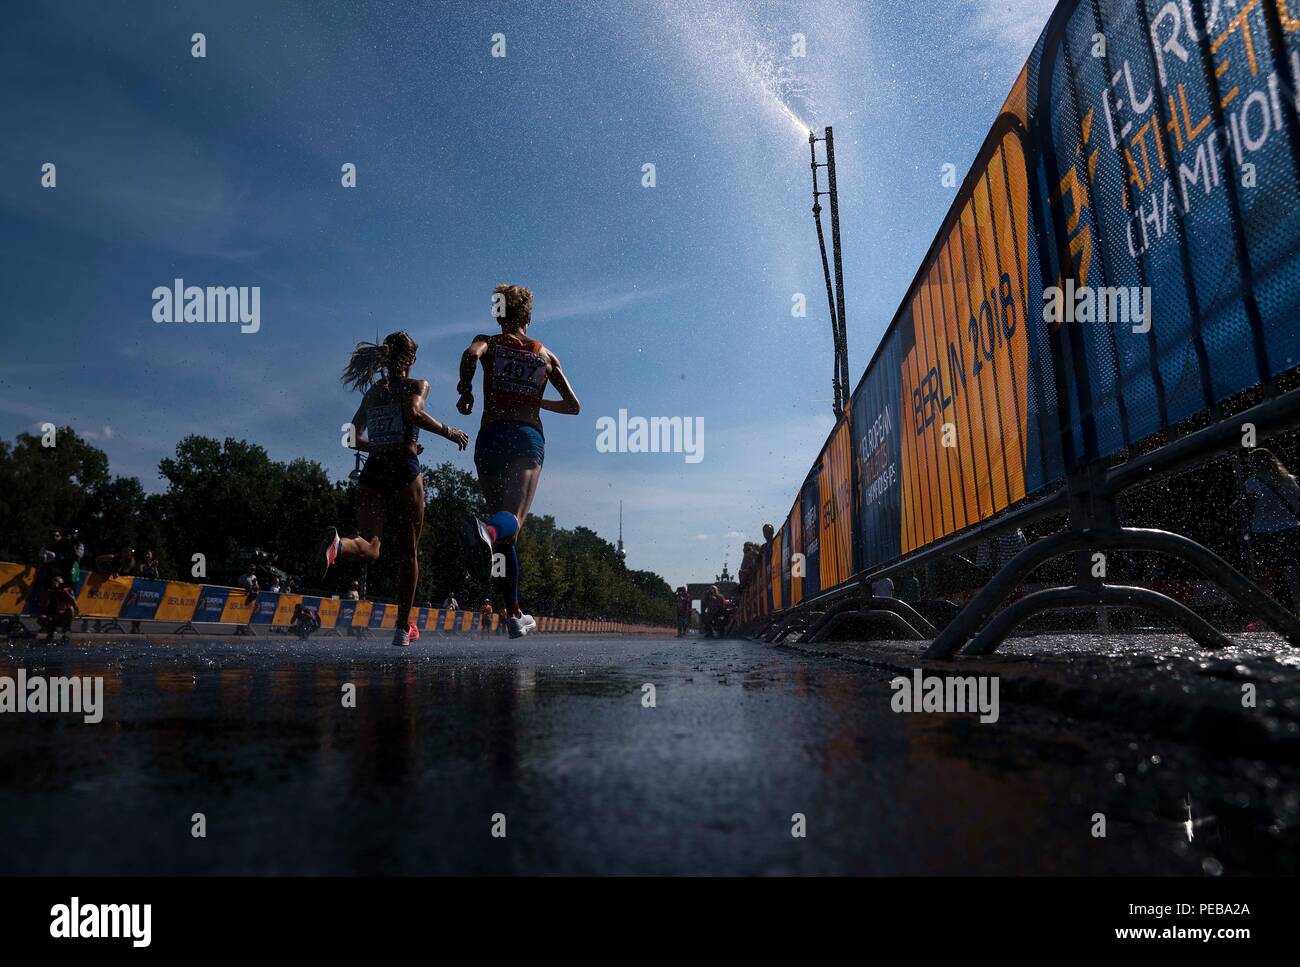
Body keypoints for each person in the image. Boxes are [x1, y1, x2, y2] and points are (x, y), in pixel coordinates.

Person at [317, 330, 469, 648]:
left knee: (370, 545)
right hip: (403, 470)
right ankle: (402, 628)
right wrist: (449, 431)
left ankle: (339, 546)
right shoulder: (417, 385)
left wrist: (379, 446)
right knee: (408, 552)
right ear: (411, 359)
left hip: (374, 470)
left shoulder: (373, 393)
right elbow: (414, 412)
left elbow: (350, 437)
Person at [458, 284, 580, 639]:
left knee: (505, 541)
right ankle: (487, 529)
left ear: (499, 314)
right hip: (525, 437)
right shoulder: (545, 355)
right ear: (528, 316)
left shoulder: (489, 343)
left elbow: (469, 356)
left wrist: (465, 390)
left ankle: (512, 613)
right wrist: (538, 403)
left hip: (490, 436)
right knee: (510, 523)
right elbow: (574, 406)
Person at [1243, 448, 1300, 612]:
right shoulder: (1289, 480)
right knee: (1295, 577)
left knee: (1265, 578)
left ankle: (1264, 616)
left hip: (1263, 533)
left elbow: (1246, 510)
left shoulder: (1251, 484)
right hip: (1290, 530)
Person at [38, 576, 78, 643]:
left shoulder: (66, 591)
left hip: (64, 615)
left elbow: (73, 602)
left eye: (55, 582)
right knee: (42, 619)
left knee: (70, 610)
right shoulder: (50, 592)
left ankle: (66, 633)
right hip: (54, 614)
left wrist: (66, 593)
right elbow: (44, 604)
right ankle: (50, 634)